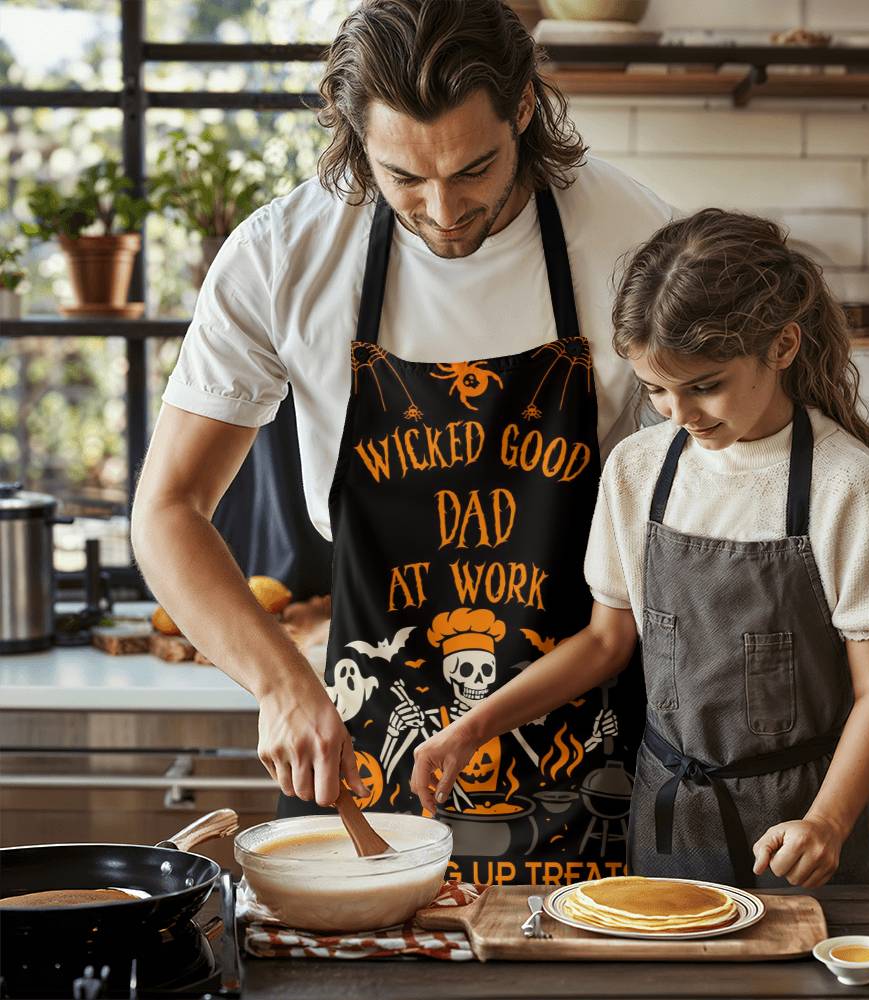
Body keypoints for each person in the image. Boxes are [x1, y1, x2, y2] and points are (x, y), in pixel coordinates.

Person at [131, 0, 675, 886]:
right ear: (354, 136)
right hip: (357, 735)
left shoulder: (634, 242)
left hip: (593, 736)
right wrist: (277, 684)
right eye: (403, 178)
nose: (444, 209)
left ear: (526, 109)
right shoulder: (283, 256)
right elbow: (166, 511)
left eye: (474, 170)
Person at [411, 208, 869, 888]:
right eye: (656, 389)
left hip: (798, 831)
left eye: (704, 385)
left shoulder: (851, 487)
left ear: (782, 346)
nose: (678, 414)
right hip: (669, 821)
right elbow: (604, 644)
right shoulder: (638, 468)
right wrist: (472, 727)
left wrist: (826, 822)